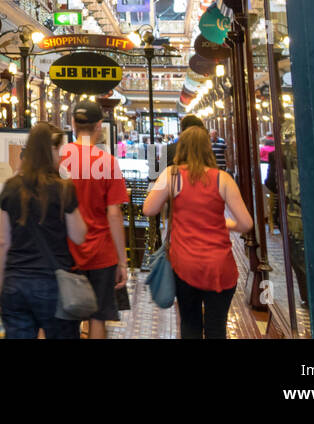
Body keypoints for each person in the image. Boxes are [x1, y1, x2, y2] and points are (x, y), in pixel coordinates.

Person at [143, 126, 253, 339]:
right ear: (208, 149)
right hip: (220, 267)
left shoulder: (172, 175)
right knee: (216, 328)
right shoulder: (223, 179)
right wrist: (225, 224)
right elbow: (246, 223)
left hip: (185, 266)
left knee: (190, 324)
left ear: (181, 147)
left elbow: (149, 209)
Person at [0, 123, 87, 339]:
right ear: (51, 150)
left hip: (16, 282)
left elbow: (4, 243)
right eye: (59, 149)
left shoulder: (11, 186)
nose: (62, 155)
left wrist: (1, 288)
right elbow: (79, 235)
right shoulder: (64, 188)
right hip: (53, 283)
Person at [58, 102, 129, 338]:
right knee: (98, 316)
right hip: (102, 253)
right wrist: (122, 261)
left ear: (73, 123)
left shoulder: (59, 159)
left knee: (65, 319)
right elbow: (114, 214)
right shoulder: (108, 162)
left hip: (65, 250)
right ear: (100, 125)